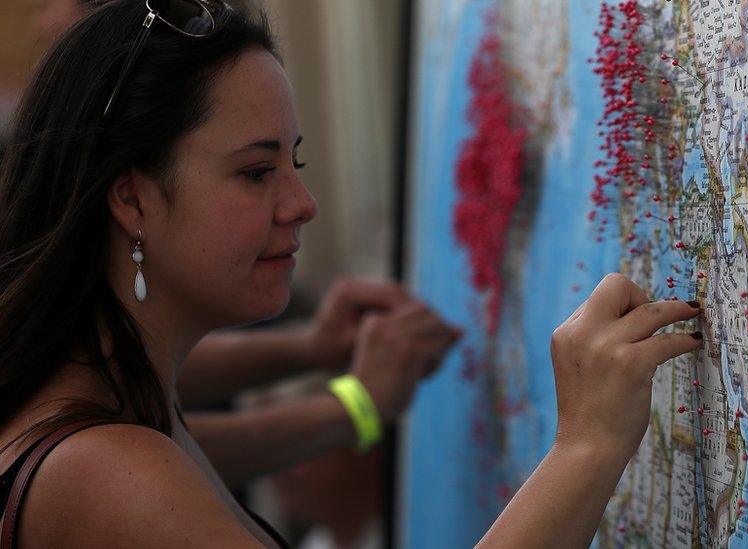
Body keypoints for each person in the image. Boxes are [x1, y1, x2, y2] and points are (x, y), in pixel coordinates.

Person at [0, 2, 703, 548]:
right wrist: (587, 442)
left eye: (294, 164)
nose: (300, 203)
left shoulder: (116, 406)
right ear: (132, 198)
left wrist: (331, 372)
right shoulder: (107, 471)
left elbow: (193, 449)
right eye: (256, 171)